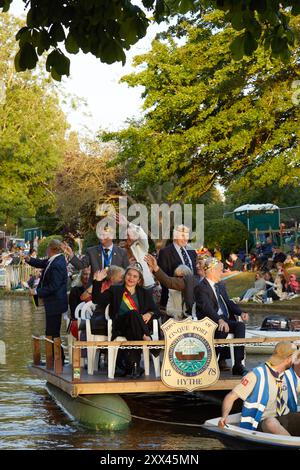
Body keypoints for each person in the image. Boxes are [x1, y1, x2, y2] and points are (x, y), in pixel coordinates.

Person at [91, 263, 160, 378]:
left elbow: (156, 311)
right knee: (134, 313)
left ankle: (134, 366)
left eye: (135, 276)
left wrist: (150, 313)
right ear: (125, 276)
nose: (131, 278)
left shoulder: (143, 293)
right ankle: (147, 338)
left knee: (134, 322)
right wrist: (97, 281)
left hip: (135, 328)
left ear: (139, 280)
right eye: (129, 275)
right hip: (120, 326)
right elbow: (96, 299)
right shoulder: (115, 290)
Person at [218, 341, 300, 436]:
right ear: (288, 359)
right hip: (260, 422)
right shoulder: (256, 375)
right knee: (271, 422)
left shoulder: (289, 375)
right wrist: (224, 417)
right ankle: (292, 443)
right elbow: (231, 396)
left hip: (285, 417)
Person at [194, 257, 248, 375]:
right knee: (222, 328)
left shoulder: (220, 286)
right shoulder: (201, 287)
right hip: (209, 321)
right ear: (212, 271)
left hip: (223, 319)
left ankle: (238, 364)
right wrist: (219, 320)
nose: (221, 273)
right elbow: (206, 308)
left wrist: (241, 312)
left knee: (240, 326)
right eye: (220, 270)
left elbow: (228, 302)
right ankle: (212, 362)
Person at [25, 239, 68, 354]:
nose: (46, 249)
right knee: (51, 331)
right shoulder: (55, 260)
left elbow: (54, 286)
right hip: (53, 302)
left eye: (48, 247)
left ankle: (58, 359)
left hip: (56, 303)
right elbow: (42, 263)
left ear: (51, 249)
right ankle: (55, 358)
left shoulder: (57, 263)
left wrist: (36, 292)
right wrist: (28, 259)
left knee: (53, 331)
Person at [145, 253, 205, 318]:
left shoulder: (216, 281)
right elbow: (168, 281)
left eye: (200, 263)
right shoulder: (190, 280)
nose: (197, 266)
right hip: (191, 320)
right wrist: (155, 268)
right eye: (196, 263)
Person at [62, 223, 129, 280]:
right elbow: (81, 266)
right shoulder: (91, 251)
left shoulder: (122, 252)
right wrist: (71, 254)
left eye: (103, 234)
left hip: (116, 290)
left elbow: (126, 272)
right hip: (97, 288)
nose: (100, 236)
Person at [157, 225, 197, 309]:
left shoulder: (192, 251)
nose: (185, 238)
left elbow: (195, 272)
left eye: (187, 235)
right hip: (174, 300)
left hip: (193, 296)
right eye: (182, 235)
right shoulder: (165, 252)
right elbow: (163, 277)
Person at [115, 214, 155, 288]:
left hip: (145, 284)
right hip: (128, 285)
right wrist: (127, 264)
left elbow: (142, 233)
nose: (129, 237)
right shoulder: (120, 250)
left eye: (132, 234)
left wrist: (128, 224)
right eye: (127, 235)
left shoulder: (142, 246)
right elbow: (117, 268)